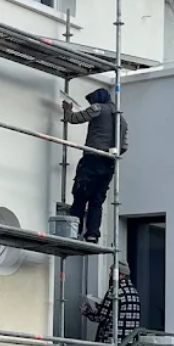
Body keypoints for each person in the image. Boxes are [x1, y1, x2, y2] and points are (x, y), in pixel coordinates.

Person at [63, 86, 128, 243]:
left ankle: (73, 232)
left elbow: (74, 119)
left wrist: (67, 111)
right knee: (97, 200)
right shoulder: (122, 120)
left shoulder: (97, 108)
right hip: (109, 163)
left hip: (92, 158)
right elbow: (124, 147)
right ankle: (92, 234)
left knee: (80, 196)